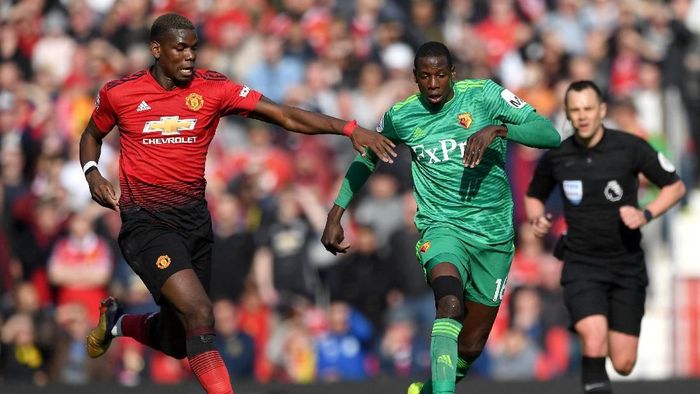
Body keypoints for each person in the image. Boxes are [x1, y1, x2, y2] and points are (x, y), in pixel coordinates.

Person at [78, 13, 397, 394]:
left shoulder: (213, 88)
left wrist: (348, 128)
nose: (189, 56)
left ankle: (118, 323)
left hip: (195, 221)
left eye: (193, 48)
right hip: (146, 223)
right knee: (201, 313)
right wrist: (93, 172)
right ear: (156, 49)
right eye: (180, 48)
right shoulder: (120, 92)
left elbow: (283, 115)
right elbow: (91, 134)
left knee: (180, 339)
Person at [321, 41, 561, 394]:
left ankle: (431, 388)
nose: (433, 83)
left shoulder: (484, 95)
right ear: (415, 78)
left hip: (493, 235)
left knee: (472, 344)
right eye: (424, 76)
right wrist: (336, 211)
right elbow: (367, 157)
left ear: (453, 74)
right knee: (448, 303)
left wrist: (498, 129)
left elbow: (550, 134)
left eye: (439, 75)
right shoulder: (402, 116)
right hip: (442, 226)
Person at [525, 80, 686, 393]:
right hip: (581, 263)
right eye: (575, 110)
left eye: (588, 109)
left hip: (626, 265)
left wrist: (646, 213)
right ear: (568, 115)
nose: (582, 116)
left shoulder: (630, 147)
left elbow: (675, 186)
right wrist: (536, 218)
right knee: (594, 335)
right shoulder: (559, 155)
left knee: (624, 363)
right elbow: (534, 194)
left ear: (602, 110)